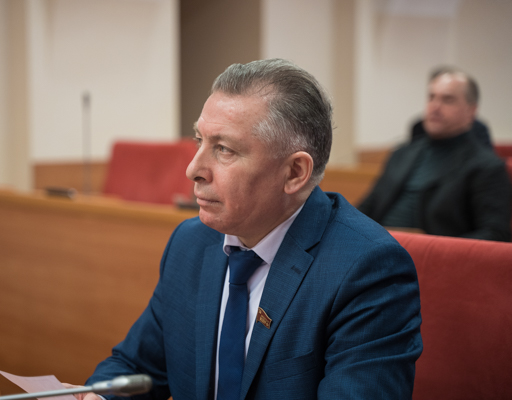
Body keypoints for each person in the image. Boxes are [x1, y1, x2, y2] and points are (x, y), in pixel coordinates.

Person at [68, 59, 422, 399]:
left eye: (224, 149)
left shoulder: (367, 271)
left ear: (294, 173)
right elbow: (135, 366)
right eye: (200, 141)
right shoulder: (191, 243)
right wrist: (100, 397)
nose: (193, 169)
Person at [358, 67, 511, 242]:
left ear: (471, 110)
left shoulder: (486, 167)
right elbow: (367, 207)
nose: (435, 107)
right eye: (431, 97)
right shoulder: (402, 153)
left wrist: (433, 250)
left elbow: (495, 234)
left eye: (447, 100)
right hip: (375, 246)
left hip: (429, 253)